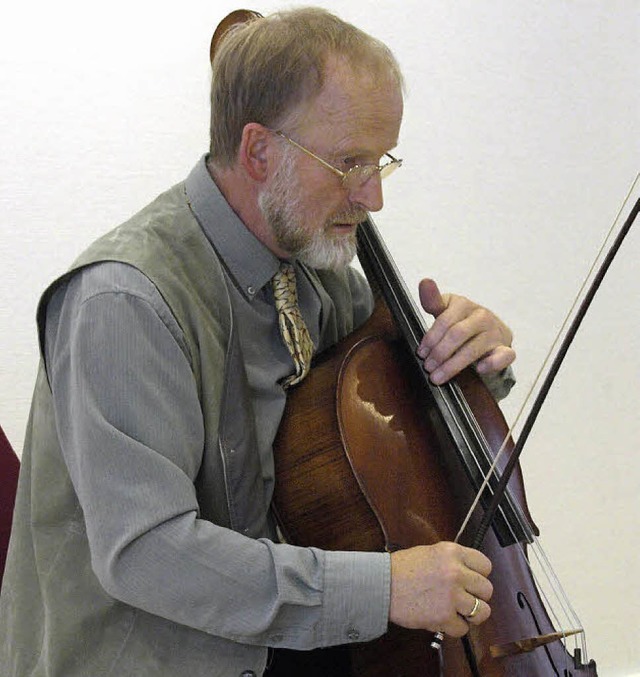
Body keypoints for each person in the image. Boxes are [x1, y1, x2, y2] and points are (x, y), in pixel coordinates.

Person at [0, 7, 516, 676]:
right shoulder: (124, 301)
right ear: (258, 151)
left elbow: (409, 404)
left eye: (381, 159)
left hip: (270, 642)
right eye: (350, 163)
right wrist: (388, 587)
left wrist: (471, 359)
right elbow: (148, 553)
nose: (374, 197)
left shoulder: (313, 270)